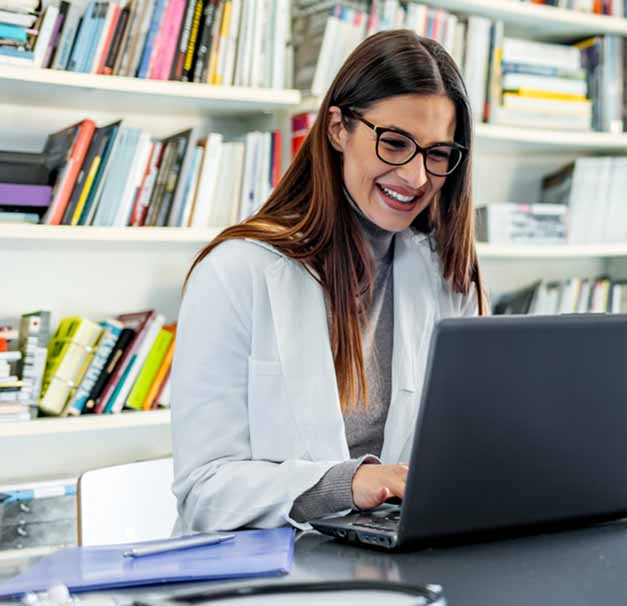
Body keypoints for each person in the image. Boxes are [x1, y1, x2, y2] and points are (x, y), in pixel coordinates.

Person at [170, 29, 487, 532]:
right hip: (268, 574)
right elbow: (204, 491)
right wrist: (345, 484)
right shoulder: (235, 272)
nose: (417, 178)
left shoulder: (446, 279)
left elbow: (464, 448)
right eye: (397, 143)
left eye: (438, 154)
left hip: (392, 562)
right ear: (338, 128)